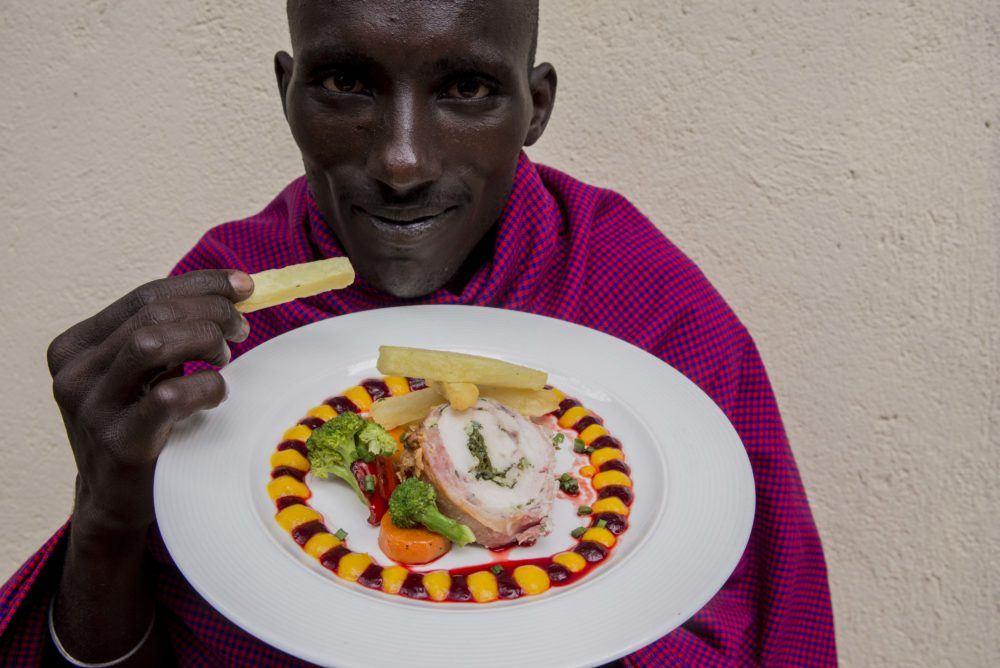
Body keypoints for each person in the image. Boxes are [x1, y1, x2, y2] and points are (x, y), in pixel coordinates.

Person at [0, 1, 836, 665]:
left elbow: (762, 623)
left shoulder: (649, 301)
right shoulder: (217, 318)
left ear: (536, 105)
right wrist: (104, 520)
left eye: (466, 88)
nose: (402, 160)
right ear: (288, 93)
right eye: (346, 83)